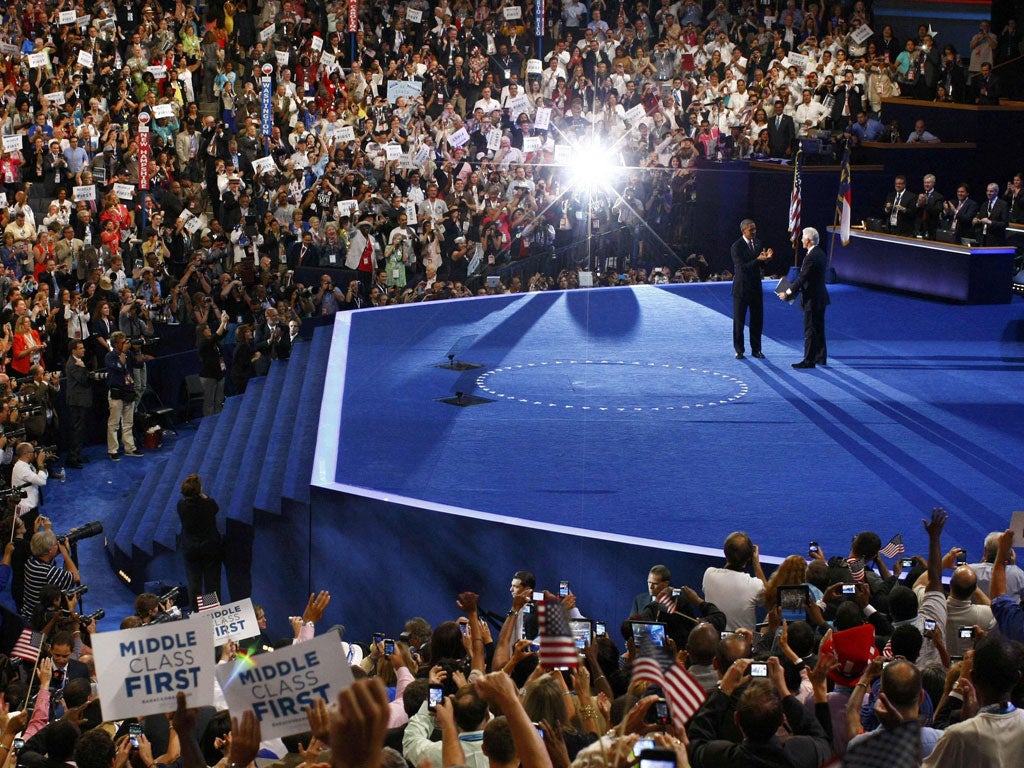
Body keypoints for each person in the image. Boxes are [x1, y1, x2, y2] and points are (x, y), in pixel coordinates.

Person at [777, 227, 829, 368]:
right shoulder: (820, 253)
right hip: (820, 297)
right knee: (818, 328)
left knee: (810, 330)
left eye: (802, 238)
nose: (800, 240)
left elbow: (801, 278)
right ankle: (820, 357)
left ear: (807, 240)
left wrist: (787, 293)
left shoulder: (811, 257)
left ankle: (808, 360)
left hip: (812, 299)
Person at [176, 473, 223, 610]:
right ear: (199, 490)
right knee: (211, 583)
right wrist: (203, 495)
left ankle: (196, 612)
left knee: (194, 583)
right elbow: (215, 508)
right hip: (209, 549)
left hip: (190, 549)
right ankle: (211, 611)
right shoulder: (208, 504)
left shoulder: (181, 506)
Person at [730, 219, 773, 360]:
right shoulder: (736, 246)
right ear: (744, 231)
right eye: (751, 230)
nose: (754, 232)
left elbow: (759, 267)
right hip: (741, 289)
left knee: (757, 321)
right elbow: (741, 268)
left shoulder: (759, 243)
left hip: (756, 288)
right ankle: (739, 350)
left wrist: (766, 259)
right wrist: (758, 260)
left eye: (755, 229)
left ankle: (756, 350)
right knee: (739, 321)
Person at [105, 331, 143, 460]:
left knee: (128, 423)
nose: (126, 344)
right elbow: (120, 367)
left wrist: (137, 351)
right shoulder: (110, 356)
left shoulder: (129, 353)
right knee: (114, 424)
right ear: (116, 344)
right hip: (116, 392)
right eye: (123, 342)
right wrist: (123, 353)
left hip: (128, 391)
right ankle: (113, 450)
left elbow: (139, 364)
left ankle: (130, 448)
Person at [63, 340, 92, 469]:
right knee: (76, 430)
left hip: (81, 400)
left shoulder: (77, 362)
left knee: (80, 429)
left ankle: (77, 454)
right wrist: (84, 367)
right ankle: (72, 458)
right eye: (80, 348)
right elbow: (84, 379)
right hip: (76, 401)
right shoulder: (73, 364)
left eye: (83, 347)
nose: (84, 349)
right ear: (73, 350)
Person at [197, 313, 231, 416]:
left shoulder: (213, 340)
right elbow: (216, 336)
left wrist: (226, 322)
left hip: (219, 374)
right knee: (209, 402)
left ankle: (218, 420)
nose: (209, 329)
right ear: (202, 332)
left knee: (219, 400)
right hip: (208, 377)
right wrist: (222, 322)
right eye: (207, 329)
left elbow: (223, 333)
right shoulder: (203, 343)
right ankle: (209, 423)